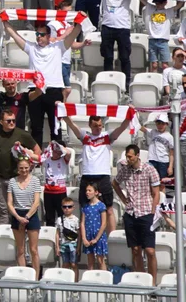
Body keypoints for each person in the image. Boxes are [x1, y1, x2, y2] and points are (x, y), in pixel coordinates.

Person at [63, 114, 132, 232]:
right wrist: (62, 109)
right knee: (84, 208)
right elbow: (70, 123)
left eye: (100, 125)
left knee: (109, 209)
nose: (98, 128)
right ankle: (84, 237)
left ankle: (112, 237)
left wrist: (129, 115)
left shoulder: (107, 136)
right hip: (87, 176)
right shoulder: (85, 136)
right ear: (90, 125)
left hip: (103, 176)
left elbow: (122, 127)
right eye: (95, 126)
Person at [0, 109, 41, 225]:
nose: (12, 123)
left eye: (13, 120)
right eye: (8, 121)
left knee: (19, 207)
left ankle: (18, 231)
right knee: (2, 208)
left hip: (17, 177)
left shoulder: (22, 134)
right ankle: (5, 232)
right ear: (1, 122)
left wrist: (30, 165)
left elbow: (37, 150)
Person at [78, 0, 136, 85]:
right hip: (107, 26)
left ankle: (126, 84)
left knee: (124, 57)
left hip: (123, 27)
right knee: (107, 57)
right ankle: (108, 82)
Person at [113, 143, 162, 278]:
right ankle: (141, 279)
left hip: (146, 213)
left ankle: (152, 282)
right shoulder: (125, 169)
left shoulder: (149, 169)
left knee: (150, 251)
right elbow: (115, 183)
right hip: (130, 213)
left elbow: (156, 193)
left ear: (137, 155)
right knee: (135, 250)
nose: (128, 159)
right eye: (127, 157)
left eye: (130, 157)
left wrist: (153, 211)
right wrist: (123, 199)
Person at [7, 156, 43, 277]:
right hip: (17, 214)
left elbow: (36, 202)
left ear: (30, 168)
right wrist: (18, 217)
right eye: (21, 168)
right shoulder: (12, 181)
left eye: (26, 168)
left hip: (31, 214)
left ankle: (36, 277)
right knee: (21, 250)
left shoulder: (35, 181)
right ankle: (23, 276)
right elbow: (9, 203)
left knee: (34, 250)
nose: (24, 170)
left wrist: (26, 217)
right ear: (17, 168)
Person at [81, 180, 110, 270]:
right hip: (88, 235)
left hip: (99, 236)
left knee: (100, 260)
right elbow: (82, 223)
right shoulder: (85, 206)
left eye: (90, 190)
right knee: (90, 261)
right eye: (86, 190)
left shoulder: (101, 206)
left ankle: (105, 281)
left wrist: (96, 239)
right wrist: (84, 238)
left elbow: (104, 223)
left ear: (96, 192)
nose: (87, 192)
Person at [56, 196, 81, 279]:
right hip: (63, 245)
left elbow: (79, 234)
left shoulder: (76, 220)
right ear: (62, 208)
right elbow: (57, 234)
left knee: (74, 264)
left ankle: (75, 282)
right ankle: (64, 280)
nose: (67, 209)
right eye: (65, 207)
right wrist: (57, 247)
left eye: (69, 207)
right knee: (65, 264)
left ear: (73, 208)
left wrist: (78, 247)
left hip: (73, 245)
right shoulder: (59, 219)